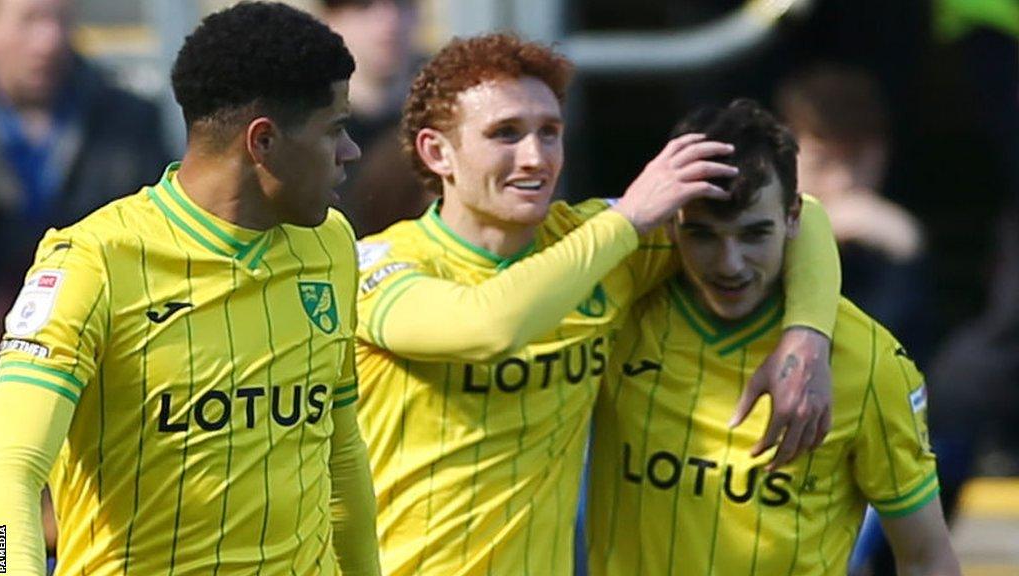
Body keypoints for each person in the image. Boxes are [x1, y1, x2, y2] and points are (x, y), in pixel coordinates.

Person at [354, 34, 841, 576]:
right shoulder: (379, 265)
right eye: (505, 134)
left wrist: (806, 337)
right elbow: (486, 327)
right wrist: (629, 220)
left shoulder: (599, 245)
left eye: (550, 133)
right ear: (436, 151)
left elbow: (803, 215)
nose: (535, 158)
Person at [0, 3, 379, 575]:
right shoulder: (94, 264)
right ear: (263, 142)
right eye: (335, 129)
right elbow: (12, 470)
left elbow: (340, 456)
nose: (351, 151)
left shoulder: (329, 245)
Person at [585, 99, 960, 576]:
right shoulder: (619, 319)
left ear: (793, 217)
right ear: (671, 222)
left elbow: (926, 557)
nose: (730, 264)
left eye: (754, 234)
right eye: (704, 235)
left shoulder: (867, 360)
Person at [0, 0, 171, 342]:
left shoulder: (129, 120)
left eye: (61, 21)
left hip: (102, 343)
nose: (49, 40)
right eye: (30, 20)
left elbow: (158, 243)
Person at [776, 64, 935, 365]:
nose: (843, 182)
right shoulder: (747, 240)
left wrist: (908, 255)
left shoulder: (892, 242)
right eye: (822, 162)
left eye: (857, 159)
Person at [317, 0, 430, 236]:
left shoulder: (447, 112)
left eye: (402, 5)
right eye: (364, 6)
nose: (389, 22)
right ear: (331, 19)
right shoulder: (304, 122)